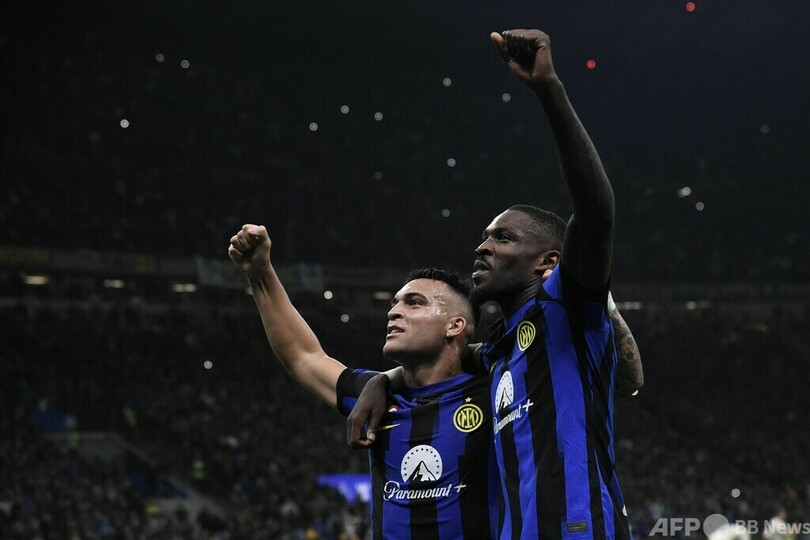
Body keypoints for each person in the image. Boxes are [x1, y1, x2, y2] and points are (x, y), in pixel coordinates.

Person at [348, 29, 638, 539]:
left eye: (503, 238)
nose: (482, 247)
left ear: (548, 262)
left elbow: (596, 212)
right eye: (484, 236)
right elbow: (437, 361)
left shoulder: (565, 307)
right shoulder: (498, 351)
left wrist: (548, 90)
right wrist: (383, 380)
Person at [228, 224, 497, 539]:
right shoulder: (377, 397)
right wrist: (260, 275)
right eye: (395, 303)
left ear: (455, 325)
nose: (394, 312)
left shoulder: (495, 390)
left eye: (414, 303)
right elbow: (303, 357)